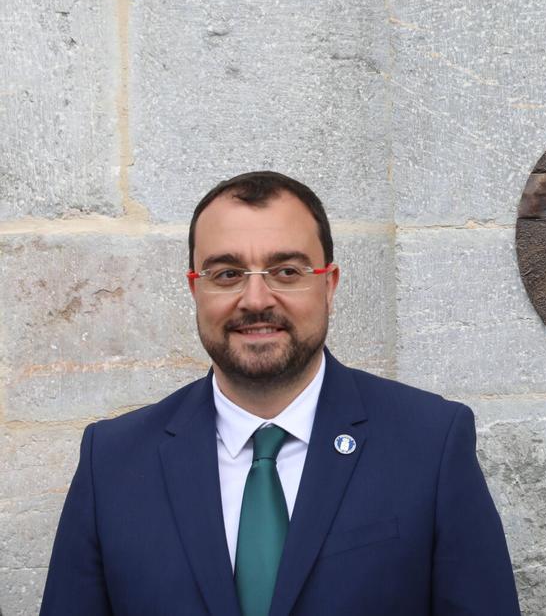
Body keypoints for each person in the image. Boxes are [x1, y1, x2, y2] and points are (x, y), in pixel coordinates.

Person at [41, 172, 521, 615]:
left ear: (328, 285)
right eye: (227, 274)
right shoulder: (113, 461)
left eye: (286, 271)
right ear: (195, 289)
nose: (255, 299)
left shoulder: (429, 443)